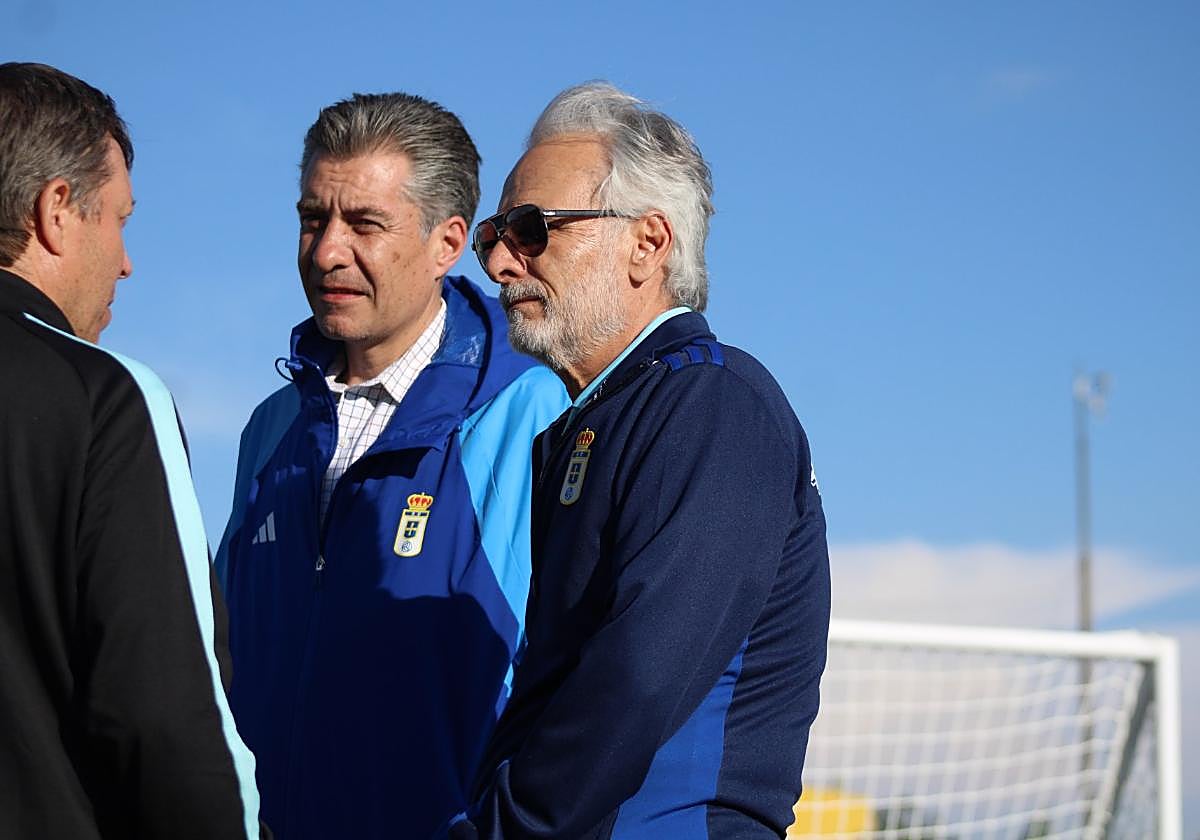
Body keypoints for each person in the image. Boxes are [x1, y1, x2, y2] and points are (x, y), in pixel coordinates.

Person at [452, 82, 831, 839]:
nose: (499, 262)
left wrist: (499, 828)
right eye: (492, 234)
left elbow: (636, 679)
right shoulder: (597, 421)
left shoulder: (714, 406)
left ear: (648, 243)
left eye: (531, 229)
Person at [214, 92, 567, 840]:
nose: (326, 251)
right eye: (314, 219)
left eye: (365, 224)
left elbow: (582, 691)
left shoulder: (532, 415)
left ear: (448, 243)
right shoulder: (267, 432)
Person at [0, 63, 264, 838]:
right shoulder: (104, 397)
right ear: (56, 210)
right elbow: (166, 716)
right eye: (118, 219)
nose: (125, 261)